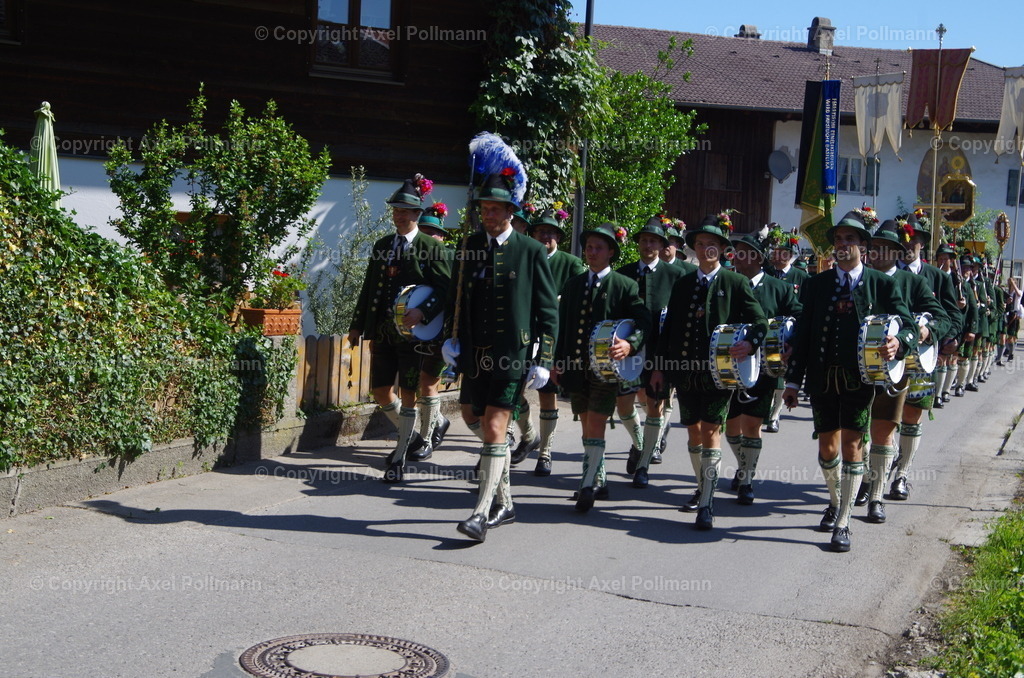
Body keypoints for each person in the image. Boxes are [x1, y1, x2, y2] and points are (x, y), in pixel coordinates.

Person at [782, 210, 915, 552]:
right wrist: (793, 382)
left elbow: (909, 325)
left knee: (852, 445)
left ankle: (842, 522)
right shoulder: (816, 284)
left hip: (861, 380)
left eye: (849, 239)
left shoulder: (882, 283)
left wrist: (899, 343)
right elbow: (804, 336)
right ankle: (835, 499)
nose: (842, 245)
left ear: (863, 246)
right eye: (838, 239)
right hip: (822, 379)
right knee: (827, 448)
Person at [441, 172, 558, 543]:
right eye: (484, 209)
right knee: (473, 416)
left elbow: (547, 309)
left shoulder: (530, 250)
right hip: (476, 352)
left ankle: (479, 513)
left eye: (495, 209)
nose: (488, 215)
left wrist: (544, 358)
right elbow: (457, 298)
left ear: (510, 211)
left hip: (512, 352)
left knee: (494, 426)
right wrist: (451, 339)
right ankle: (506, 503)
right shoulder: (469, 245)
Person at [650, 214, 768, 530]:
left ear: (722, 249)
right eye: (700, 244)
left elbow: (760, 323)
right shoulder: (683, 283)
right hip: (684, 372)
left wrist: (749, 344)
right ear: (694, 248)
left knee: (711, 431)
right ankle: (702, 485)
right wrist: (660, 367)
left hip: (719, 374)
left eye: (712, 245)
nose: (705, 250)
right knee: (692, 430)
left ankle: (707, 503)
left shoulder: (735, 282)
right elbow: (669, 329)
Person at [348, 175, 452, 483]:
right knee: (380, 391)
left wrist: (424, 311)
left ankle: (401, 453)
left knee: (409, 393)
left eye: (405, 210)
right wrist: (357, 325)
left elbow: (445, 289)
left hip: (413, 337)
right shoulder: (382, 245)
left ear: (417, 214)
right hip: (382, 332)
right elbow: (369, 288)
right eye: (395, 210)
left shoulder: (430, 248)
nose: (399, 215)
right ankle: (418, 437)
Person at [553, 222, 650, 512]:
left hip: (606, 370)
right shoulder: (573, 284)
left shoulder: (624, 285)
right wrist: (557, 361)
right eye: (588, 247)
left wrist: (630, 344)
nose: (591, 252)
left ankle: (586, 485)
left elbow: (643, 321)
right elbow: (564, 327)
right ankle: (600, 477)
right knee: (586, 424)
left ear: (611, 252)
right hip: (575, 367)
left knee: (595, 422)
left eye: (598, 247)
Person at [859, 221, 949, 521]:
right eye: (874, 248)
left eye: (886, 248)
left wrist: (924, 332)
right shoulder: (858, 278)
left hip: (906, 364)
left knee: (900, 420)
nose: (877, 253)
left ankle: (895, 476)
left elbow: (944, 317)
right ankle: (867, 478)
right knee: (861, 423)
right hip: (860, 365)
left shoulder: (918, 281)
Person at [723, 233, 801, 505]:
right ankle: (743, 464)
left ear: (757, 258)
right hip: (728, 365)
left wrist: (791, 341)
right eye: (736, 252)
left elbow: (799, 316)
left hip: (765, 367)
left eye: (743, 253)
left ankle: (746, 480)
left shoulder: (778, 288)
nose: (736, 257)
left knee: (753, 425)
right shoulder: (727, 283)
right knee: (730, 428)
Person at [513, 206, 586, 477]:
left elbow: (579, 298)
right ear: (531, 235)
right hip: (522, 335)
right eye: (541, 232)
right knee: (513, 390)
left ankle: (546, 452)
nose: (546, 237)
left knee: (547, 393)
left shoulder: (570, 263)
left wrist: (557, 303)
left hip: (552, 337)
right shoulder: (523, 256)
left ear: (558, 237)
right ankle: (528, 435)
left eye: (551, 233)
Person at [616, 217, 686, 488]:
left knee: (655, 406)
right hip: (628, 351)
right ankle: (641, 443)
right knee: (624, 405)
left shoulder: (676, 276)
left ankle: (644, 464)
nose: (648, 244)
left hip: (660, 351)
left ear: (662, 245)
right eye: (644, 240)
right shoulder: (623, 273)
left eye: (653, 240)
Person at [932, 243, 968, 405]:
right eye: (940, 258)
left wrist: (963, 305)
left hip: (952, 324)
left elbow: (970, 307)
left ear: (951, 261)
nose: (942, 261)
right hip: (934, 322)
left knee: (946, 358)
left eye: (945, 259)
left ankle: (941, 393)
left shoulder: (957, 280)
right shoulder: (932, 276)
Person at [951, 256, 981, 397]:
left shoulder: (970, 286)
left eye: (968, 268)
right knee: (951, 357)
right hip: (952, 327)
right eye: (963, 267)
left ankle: (960, 385)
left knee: (964, 357)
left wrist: (972, 330)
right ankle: (944, 389)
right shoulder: (951, 282)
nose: (966, 270)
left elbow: (974, 310)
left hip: (965, 327)